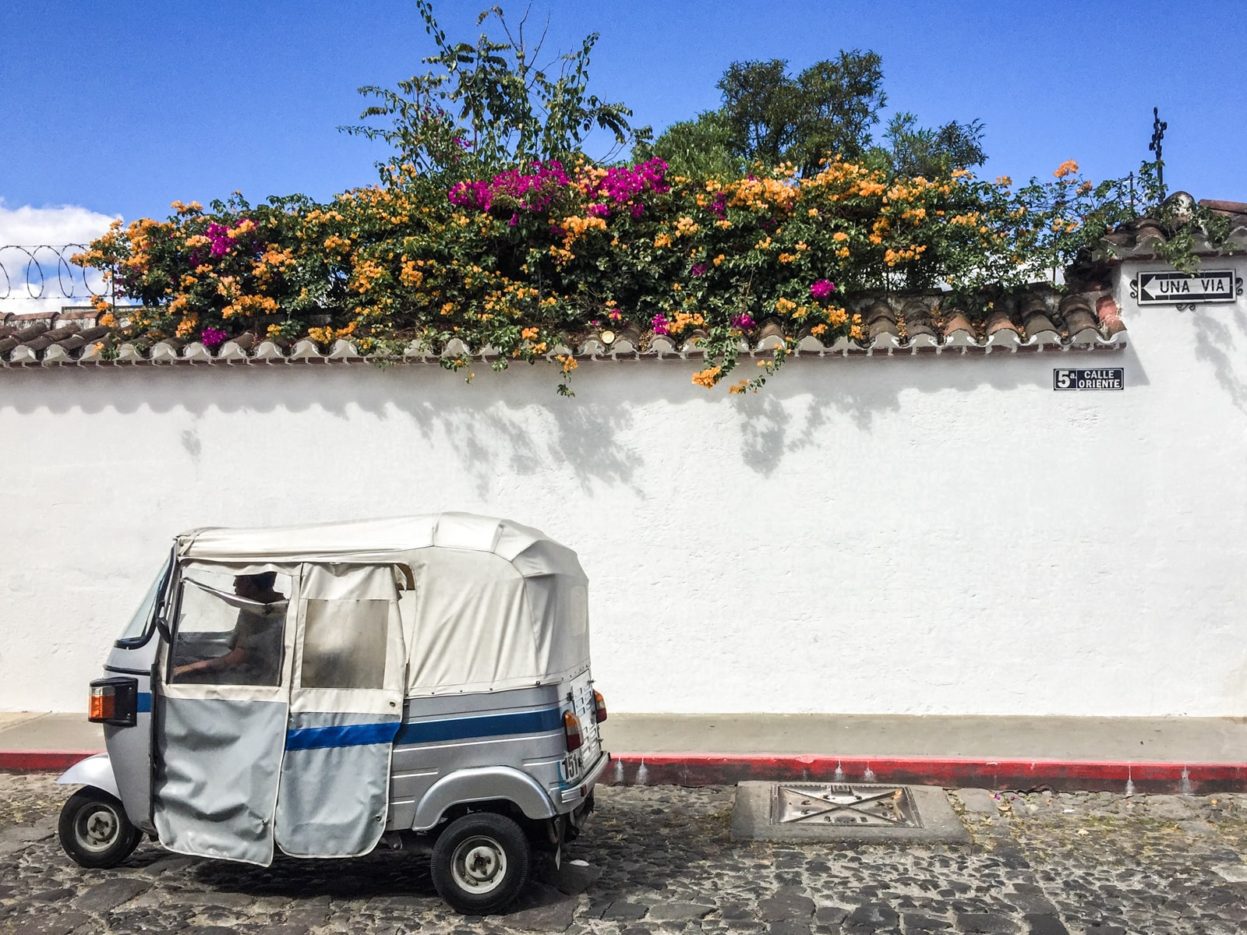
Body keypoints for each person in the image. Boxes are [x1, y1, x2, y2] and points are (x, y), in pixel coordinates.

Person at [173, 572, 285, 685]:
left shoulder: (268, 613)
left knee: (179, 673)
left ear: (248, 583)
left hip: (257, 680)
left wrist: (185, 669)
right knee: (179, 661)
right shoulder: (256, 606)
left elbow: (235, 659)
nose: (234, 584)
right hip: (247, 670)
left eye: (238, 578)